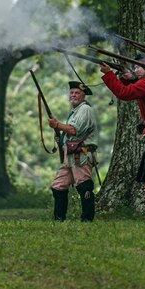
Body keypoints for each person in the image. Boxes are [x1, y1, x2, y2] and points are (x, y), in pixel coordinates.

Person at [100, 57, 145, 224]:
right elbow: (128, 87)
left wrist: (109, 74)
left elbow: (124, 93)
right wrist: (124, 77)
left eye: (138, 67)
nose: (135, 69)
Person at [48, 81, 98, 222]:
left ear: (83, 96)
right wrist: (60, 136)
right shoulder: (74, 111)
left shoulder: (85, 109)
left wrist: (57, 124)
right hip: (69, 156)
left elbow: (74, 130)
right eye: (72, 92)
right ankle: (58, 219)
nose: (73, 95)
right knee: (58, 186)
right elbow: (70, 133)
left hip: (81, 154)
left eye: (77, 93)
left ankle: (87, 219)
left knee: (84, 185)